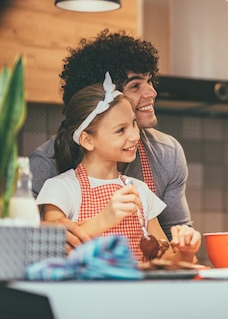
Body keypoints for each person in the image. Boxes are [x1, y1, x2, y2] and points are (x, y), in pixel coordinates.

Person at [30, 30, 192, 248]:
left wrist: (185, 245)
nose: (152, 92)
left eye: (150, 81)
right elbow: (35, 246)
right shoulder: (47, 165)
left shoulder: (167, 154)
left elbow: (170, 244)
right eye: (135, 85)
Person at [36, 73, 201, 263]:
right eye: (121, 130)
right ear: (87, 140)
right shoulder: (62, 188)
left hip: (137, 292)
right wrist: (106, 218)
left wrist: (186, 252)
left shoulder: (139, 190)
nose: (134, 136)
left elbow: (162, 259)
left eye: (133, 124)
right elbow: (53, 250)